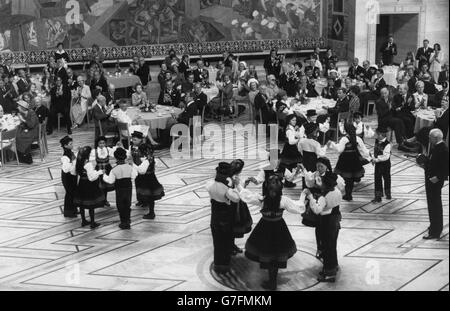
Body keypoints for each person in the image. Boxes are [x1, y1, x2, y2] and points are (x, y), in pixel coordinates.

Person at [240, 174, 303, 290]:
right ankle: (273, 280)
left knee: (266, 253)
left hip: (264, 228)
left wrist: (242, 186)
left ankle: (271, 280)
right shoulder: (284, 200)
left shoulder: (262, 199)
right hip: (279, 229)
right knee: (277, 255)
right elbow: (298, 208)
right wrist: (304, 196)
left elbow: (246, 196)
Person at [304, 171, 342, 282]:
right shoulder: (337, 191)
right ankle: (333, 266)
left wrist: (311, 197)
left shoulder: (323, 197)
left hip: (326, 223)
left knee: (326, 247)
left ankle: (329, 273)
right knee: (332, 245)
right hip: (335, 220)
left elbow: (317, 210)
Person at [206, 162, 240, 274]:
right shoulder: (227, 188)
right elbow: (236, 199)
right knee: (225, 242)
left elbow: (207, 187)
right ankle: (225, 265)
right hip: (226, 217)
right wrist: (235, 187)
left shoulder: (210, 185)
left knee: (217, 242)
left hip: (214, 217)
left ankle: (217, 264)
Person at [329, 123, 371, 201]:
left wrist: (332, 144)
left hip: (345, 160)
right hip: (355, 159)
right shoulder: (358, 138)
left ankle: (344, 194)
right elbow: (364, 150)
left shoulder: (344, 139)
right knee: (351, 178)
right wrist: (369, 156)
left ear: (345, 130)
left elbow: (340, 150)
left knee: (344, 177)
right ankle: (349, 194)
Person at [419, 129, 449, 239]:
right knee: (431, 205)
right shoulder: (435, 147)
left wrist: (438, 177)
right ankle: (433, 226)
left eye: (430, 137)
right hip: (430, 180)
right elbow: (432, 162)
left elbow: (446, 167)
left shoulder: (443, 149)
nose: (429, 139)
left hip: (435, 182)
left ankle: (435, 231)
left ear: (435, 138)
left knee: (435, 206)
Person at [131, 132, 165, 219]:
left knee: (150, 195)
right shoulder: (140, 151)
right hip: (144, 176)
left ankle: (151, 213)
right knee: (141, 189)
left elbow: (142, 170)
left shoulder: (147, 158)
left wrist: (132, 164)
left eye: (135, 139)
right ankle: (143, 201)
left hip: (148, 177)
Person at [103, 147, 136, 230]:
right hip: (128, 187)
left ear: (116, 158)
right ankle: (128, 221)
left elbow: (110, 181)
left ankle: (123, 222)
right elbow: (134, 175)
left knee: (120, 205)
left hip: (119, 188)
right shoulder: (129, 167)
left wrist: (104, 175)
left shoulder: (114, 169)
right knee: (127, 204)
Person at [73, 146, 105, 229]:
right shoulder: (88, 164)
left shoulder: (79, 161)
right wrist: (100, 172)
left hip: (81, 183)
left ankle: (83, 220)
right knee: (91, 203)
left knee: (81, 202)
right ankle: (92, 222)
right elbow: (91, 177)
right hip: (89, 184)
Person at [229, 159, 253, 255]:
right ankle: (230, 246)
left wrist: (243, 185)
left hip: (236, 202)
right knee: (233, 225)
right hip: (234, 204)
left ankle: (231, 245)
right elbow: (239, 190)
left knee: (233, 227)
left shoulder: (232, 177)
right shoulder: (234, 178)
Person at [376, 87, 412, 152]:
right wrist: (389, 109)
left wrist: (396, 108)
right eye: (382, 93)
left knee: (400, 121)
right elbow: (381, 114)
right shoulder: (378, 102)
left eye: (385, 93)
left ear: (388, 93)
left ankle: (403, 140)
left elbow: (393, 109)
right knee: (397, 122)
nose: (384, 95)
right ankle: (401, 143)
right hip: (383, 120)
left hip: (390, 119)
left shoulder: (390, 99)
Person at [90, 136, 117, 207]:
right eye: (100, 143)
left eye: (103, 143)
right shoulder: (95, 151)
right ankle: (100, 200)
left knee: (106, 185)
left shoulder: (107, 149)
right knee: (100, 186)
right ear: (97, 144)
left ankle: (105, 200)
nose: (102, 145)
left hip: (107, 169)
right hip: (99, 169)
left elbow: (115, 153)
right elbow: (90, 158)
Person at [280, 114, 302, 188]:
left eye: (295, 120)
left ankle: (288, 181)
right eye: (293, 120)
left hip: (290, 149)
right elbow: (291, 141)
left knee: (290, 165)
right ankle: (287, 181)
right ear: (289, 121)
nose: (295, 121)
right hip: (290, 149)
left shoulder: (291, 127)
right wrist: (299, 139)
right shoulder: (289, 130)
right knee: (290, 165)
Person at [371, 126, 392, 203]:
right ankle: (378, 197)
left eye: (377, 134)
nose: (376, 135)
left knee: (386, 178)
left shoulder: (387, 144)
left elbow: (386, 157)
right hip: (378, 164)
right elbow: (376, 151)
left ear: (381, 135)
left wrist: (376, 160)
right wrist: (373, 157)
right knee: (377, 179)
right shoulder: (377, 141)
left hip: (385, 165)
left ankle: (388, 193)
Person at [60, 136, 78, 218]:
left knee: (73, 192)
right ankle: (68, 212)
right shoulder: (65, 157)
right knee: (69, 193)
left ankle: (73, 209)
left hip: (72, 175)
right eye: (70, 144)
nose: (72, 145)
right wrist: (73, 164)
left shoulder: (70, 152)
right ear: (65, 146)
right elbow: (66, 169)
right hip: (67, 177)